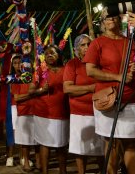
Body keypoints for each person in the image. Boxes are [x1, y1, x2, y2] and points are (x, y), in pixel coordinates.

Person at [84, 11, 135, 174]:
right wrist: (119, 77)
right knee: (111, 142)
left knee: (131, 143)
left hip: (131, 98)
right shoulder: (97, 43)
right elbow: (90, 71)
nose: (110, 19)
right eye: (106, 17)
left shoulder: (131, 42)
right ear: (102, 22)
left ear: (119, 20)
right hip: (108, 99)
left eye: (113, 16)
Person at [63, 34, 104, 174]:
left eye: (89, 44)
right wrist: (90, 88)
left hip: (99, 111)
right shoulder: (72, 64)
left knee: (101, 148)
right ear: (76, 49)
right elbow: (67, 89)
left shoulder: (98, 63)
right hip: (79, 114)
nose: (87, 47)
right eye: (83, 45)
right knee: (80, 149)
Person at [29, 44, 69, 174]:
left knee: (62, 144)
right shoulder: (39, 71)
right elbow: (31, 91)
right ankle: (44, 171)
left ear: (59, 55)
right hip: (43, 113)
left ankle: (63, 171)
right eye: (47, 53)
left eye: (53, 53)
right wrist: (42, 90)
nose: (50, 55)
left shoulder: (66, 69)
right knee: (44, 143)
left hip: (62, 112)